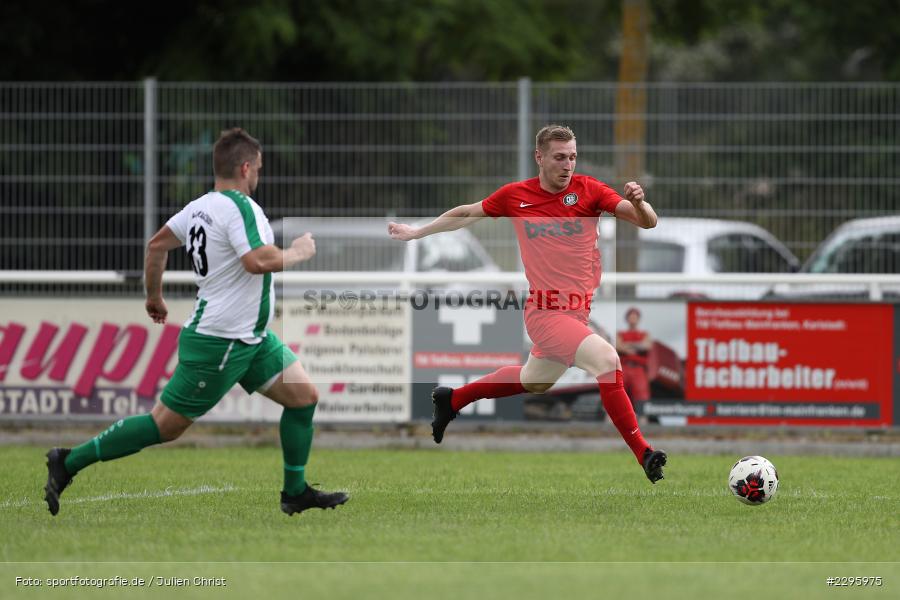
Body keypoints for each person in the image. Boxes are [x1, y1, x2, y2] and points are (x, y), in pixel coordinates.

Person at [44, 128, 349, 516]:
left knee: (304, 398)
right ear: (244, 167)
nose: (258, 175)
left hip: (250, 339)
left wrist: (154, 296)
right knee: (165, 427)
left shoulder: (199, 207)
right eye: (257, 168)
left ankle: (295, 493)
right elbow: (255, 261)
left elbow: (157, 245)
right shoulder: (240, 207)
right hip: (220, 342)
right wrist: (298, 252)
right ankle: (67, 462)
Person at [388, 124, 667, 483]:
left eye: (572, 157)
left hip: (576, 314)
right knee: (608, 360)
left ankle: (452, 399)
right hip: (545, 313)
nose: (568, 165)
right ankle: (644, 452)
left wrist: (641, 202)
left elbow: (649, 223)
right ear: (540, 157)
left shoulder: (590, 191)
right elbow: (465, 214)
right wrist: (417, 232)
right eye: (559, 157)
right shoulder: (516, 196)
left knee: (534, 382)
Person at [616, 307, 653, 405]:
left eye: (635, 317)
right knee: (618, 394)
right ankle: (611, 418)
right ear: (627, 319)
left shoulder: (644, 334)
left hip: (638, 369)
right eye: (631, 317)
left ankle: (642, 418)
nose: (633, 319)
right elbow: (619, 346)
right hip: (623, 368)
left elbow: (647, 346)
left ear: (638, 319)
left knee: (642, 396)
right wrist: (637, 345)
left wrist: (628, 345)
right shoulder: (621, 333)